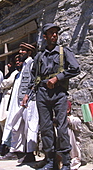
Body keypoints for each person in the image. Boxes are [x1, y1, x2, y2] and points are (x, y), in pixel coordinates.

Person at [22, 23, 81, 170]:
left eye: (56, 33)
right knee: (46, 128)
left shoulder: (63, 52)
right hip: (42, 93)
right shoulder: (39, 56)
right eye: (51, 33)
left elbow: (75, 68)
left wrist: (58, 78)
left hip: (58, 93)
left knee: (62, 127)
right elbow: (33, 77)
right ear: (45, 36)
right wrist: (27, 95)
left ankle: (65, 162)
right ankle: (50, 161)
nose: (54, 35)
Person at [0, 42, 39, 164]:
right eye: (20, 50)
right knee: (15, 125)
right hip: (19, 100)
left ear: (29, 53)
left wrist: (29, 96)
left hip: (30, 100)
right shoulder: (22, 67)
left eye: (23, 50)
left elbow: (34, 81)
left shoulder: (32, 63)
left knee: (30, 126)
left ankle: (30, 153)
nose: (20, 52)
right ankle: (15, 150)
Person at [66, 101, 82, 170]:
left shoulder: (75, 120)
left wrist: (67, 121)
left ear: (68, 110)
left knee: (67, 129)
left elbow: (76, 123)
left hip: (72, 149)